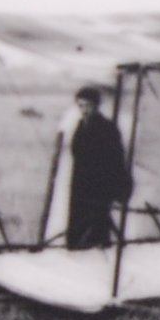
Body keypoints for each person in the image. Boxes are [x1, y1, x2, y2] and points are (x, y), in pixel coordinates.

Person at [61, 85, 132, 250]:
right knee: (80, 213)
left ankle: (94, 243)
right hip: (81, 179)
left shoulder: (107, 127)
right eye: (80, 105)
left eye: (87, 105)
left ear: (96, 105)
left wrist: (114, 182)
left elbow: (115, 156)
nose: (84, 109)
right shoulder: (81, 125)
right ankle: (78, 244)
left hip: (99, 180)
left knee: (97, 215)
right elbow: (76, 150)